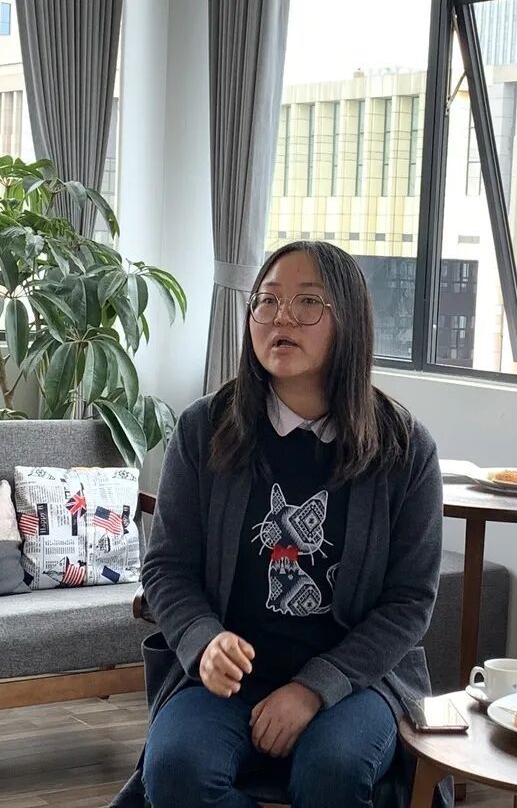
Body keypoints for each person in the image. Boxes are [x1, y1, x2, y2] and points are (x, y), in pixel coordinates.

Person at [112, 241, 449, 808]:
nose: (281, 318)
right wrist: (204, 641)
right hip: (226, 683)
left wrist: (314, 689)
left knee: (334, 769)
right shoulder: (204, 428)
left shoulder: (404, 446)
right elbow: (167, 568)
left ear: (349, 320)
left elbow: (410, 603)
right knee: (176, 770)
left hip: (357, 681)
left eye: (308, 302)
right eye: (266, 302)